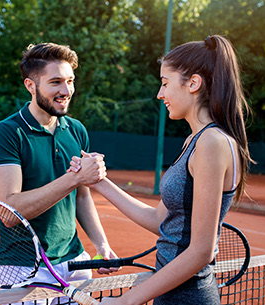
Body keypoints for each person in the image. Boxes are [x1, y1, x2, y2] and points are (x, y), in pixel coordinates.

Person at [69, 35, 254, 304]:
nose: (160, 93)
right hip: (170, 295)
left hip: (189, 297)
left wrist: (124, 301)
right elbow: (159, 221)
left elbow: (202, 251)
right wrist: (98, 181)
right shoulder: (195, 140)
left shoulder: (212, 143)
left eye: (165, 83)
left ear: (193, 83)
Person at [0, 42, 118, 304]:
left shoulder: (76, 130)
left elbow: (81, 198)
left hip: (75, 264)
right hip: (24, 269)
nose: (66, 90)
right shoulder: (7, 133)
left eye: (70, 81)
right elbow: (9, 211)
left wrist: (102, 245)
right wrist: (75, 177)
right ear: (30, 86)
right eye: (56, 82)